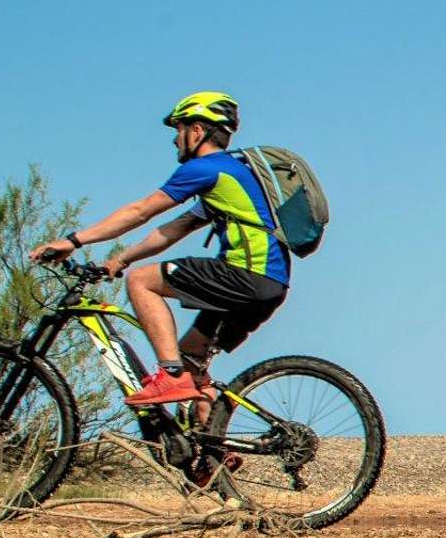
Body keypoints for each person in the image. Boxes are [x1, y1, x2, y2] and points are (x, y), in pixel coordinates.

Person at [30, 91, 291, 409]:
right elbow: (175, 228)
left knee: (141, 281)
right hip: (270, 285)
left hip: (246, 274)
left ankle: (170, 375)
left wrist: (73, 240)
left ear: (197, 131)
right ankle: (217, 450)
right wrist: (120, 259)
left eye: (178, 130)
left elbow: (141, 211)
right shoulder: (232, 175)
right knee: (191, 362)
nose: (175, 140)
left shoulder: (206, 169)